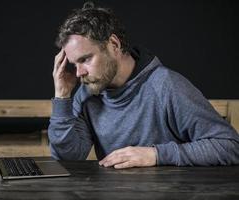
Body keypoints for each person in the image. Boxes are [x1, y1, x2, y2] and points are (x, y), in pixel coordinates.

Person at [48, 2, 239, 168]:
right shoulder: (88, 93)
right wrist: (62, 96)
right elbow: (68, 158)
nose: (79, 72)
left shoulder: (166, 86)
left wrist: (155, 155)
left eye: (86, 59)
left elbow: (230, 146)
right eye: (74, 64)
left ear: (114, 44)